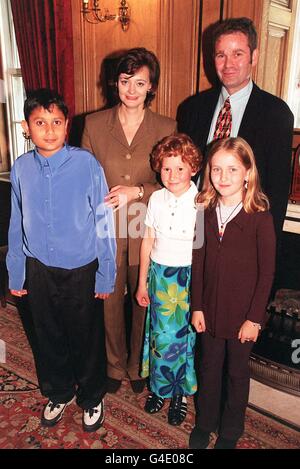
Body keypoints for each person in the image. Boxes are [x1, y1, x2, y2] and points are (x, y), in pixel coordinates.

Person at [6, 88, 116, 432]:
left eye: (56, 121)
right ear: (27, 127)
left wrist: (106, 273)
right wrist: (16, 271)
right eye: (40, 122)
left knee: (85, 336)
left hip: (80, 270)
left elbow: (103, 220)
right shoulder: (21, 168)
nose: (49, 130)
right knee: (48, 334)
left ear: (67, 125)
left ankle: (92, 395)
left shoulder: (85, 164)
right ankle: (59, 390)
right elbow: (15, 220)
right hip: (38, 268)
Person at [82, 47, 176, 394]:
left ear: (151, 87)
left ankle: (139, 367)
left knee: (143, 297)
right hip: (104, 226)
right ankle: (113, 364)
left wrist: (136, 190)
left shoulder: (167, 126)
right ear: (115, 83)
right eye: (125, 81)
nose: (132, 90)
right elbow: (85, 178)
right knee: (107, 298)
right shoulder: (93, 123)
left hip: (147, 225)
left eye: (140, 82)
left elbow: (173, 181)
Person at [189, 137, 276, 449]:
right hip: (209, 314)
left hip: (243, 318)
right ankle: (205, 423)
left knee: (236, 375)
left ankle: (230, 431)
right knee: (209, 369)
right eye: (216, 170)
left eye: (231, 170)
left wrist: (254, 319)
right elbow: (197, 264)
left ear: (247, 173)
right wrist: (196, 307)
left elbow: (267, 274)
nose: (223, 177)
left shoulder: (260, 218)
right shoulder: (205, 213)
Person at [177, 17, 294, 243]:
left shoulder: (276, 115)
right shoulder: (191, 109)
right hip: (191, 227)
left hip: (244, 236)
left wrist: (265, 248)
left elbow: (276, 194)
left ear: (254, 56)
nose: (228, 64)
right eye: (221, 55)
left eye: (237, 54)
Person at [136, 134, 202, 426]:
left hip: (187, 278)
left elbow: (203, 250)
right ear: (158, 169)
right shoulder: (156, 198)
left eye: (180, 168)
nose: (172, 175)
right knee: (160, 339)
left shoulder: (201, 201)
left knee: (183, 340)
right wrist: (141, 282)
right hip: (159, 277)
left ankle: (180, 394)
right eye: (166, 168)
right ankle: (160, 388)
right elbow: (147, 240)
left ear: (193, 169)